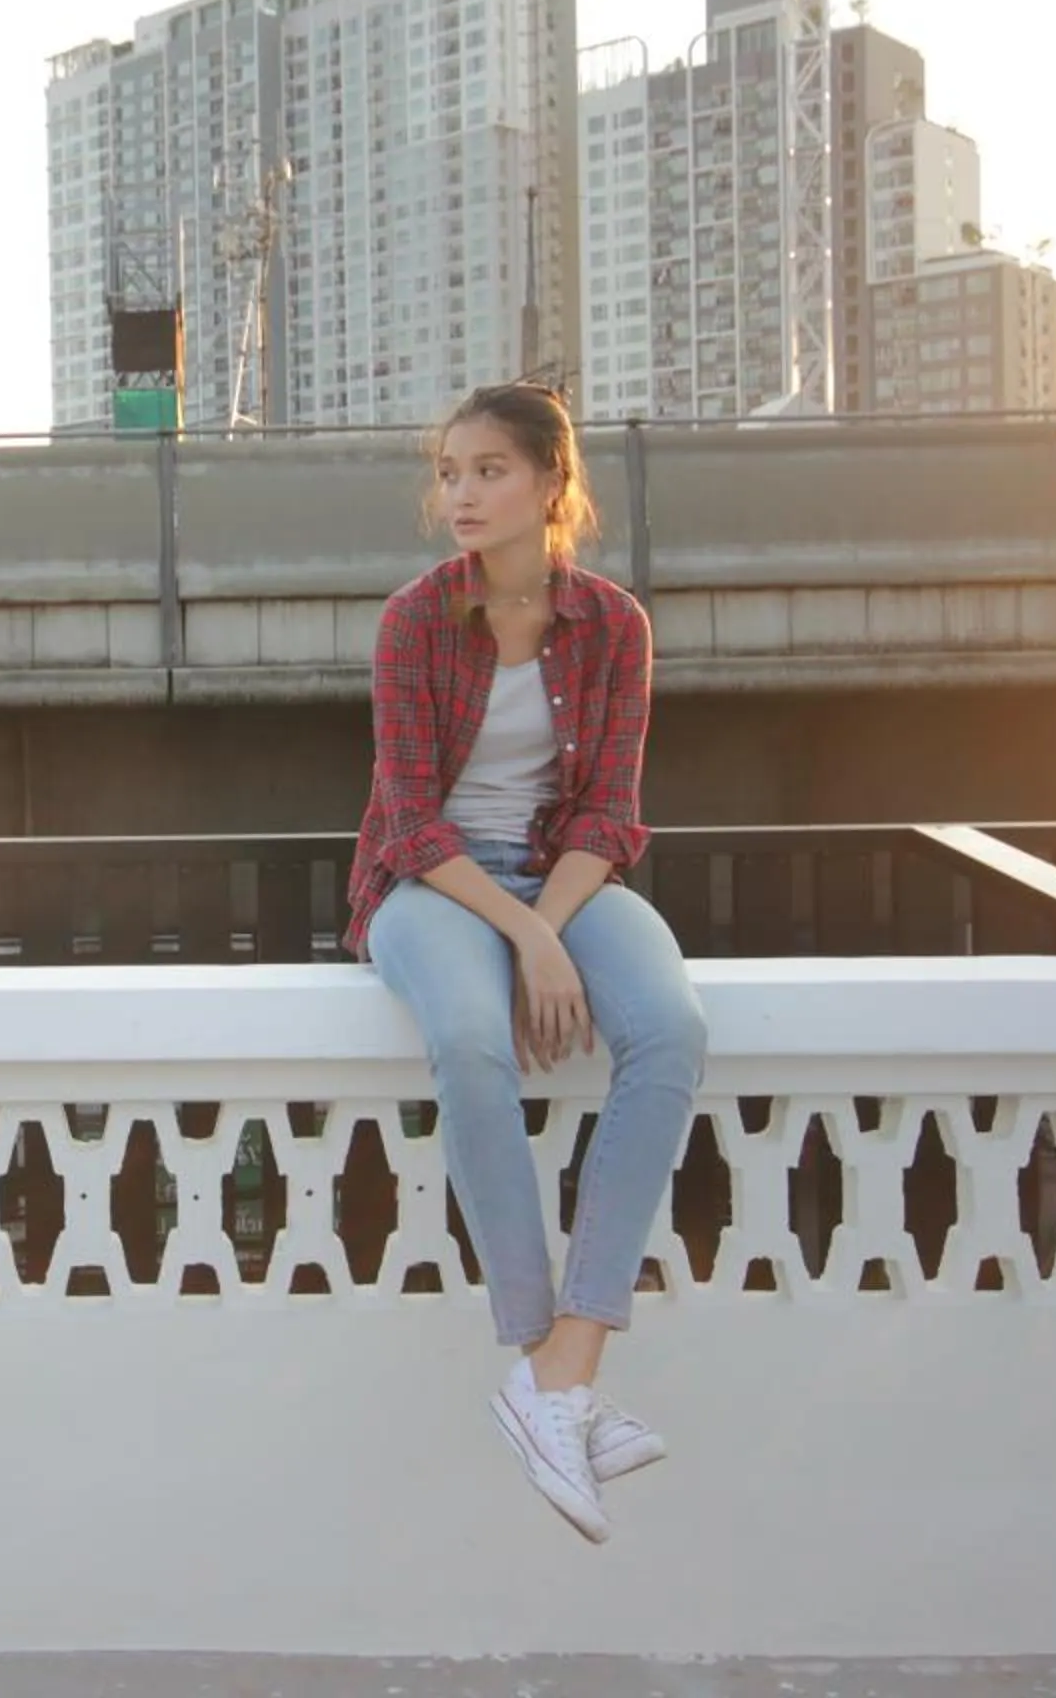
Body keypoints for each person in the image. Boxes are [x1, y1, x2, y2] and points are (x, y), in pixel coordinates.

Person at [340, 379, 709, 1546]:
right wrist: (528, 935)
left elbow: (610, 812)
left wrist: (551, 914)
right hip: (430, 882)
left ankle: (566, 1367)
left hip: (565, 870)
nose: (461, 493)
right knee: (468, 1038)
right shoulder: (414, 620)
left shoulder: (613, 626)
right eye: (449, 471)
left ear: (551, 483)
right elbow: (406, 818)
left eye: (488, 469)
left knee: (669, 1030)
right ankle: (533, 1347)